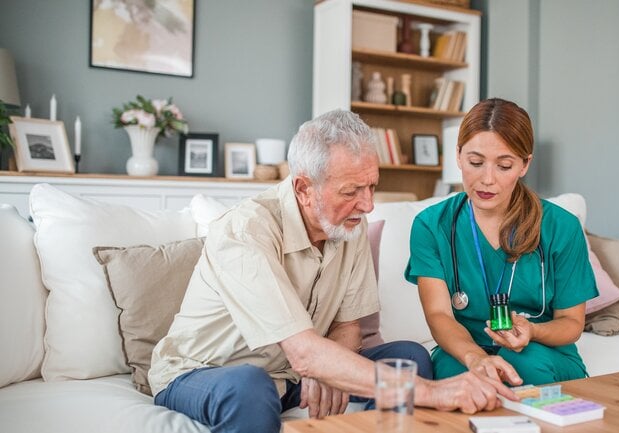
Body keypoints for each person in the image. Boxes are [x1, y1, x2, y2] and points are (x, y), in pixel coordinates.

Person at [148, 109, 516, 433]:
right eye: (352, 190)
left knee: (410, 357)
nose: (367, 203)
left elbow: (347, 326)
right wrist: (434, 392)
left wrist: (330, 369)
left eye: (372, 186)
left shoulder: (347, 223)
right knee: (249, 384)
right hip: (204, 372)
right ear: (304, 188)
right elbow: (304, 352)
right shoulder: (244, 233)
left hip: (290, 375)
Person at [405, 98, 598, 387]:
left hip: (540, 350)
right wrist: (475, 357)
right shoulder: (431, 226)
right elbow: (439, 314)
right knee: (451, 375)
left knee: (523, 365)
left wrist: (532, 331)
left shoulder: (561, 227)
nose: (487, 179)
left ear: (524, 165)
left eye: (504, 165)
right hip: (465, 348)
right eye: (475, 162)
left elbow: (571, 323)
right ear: (458, 156)